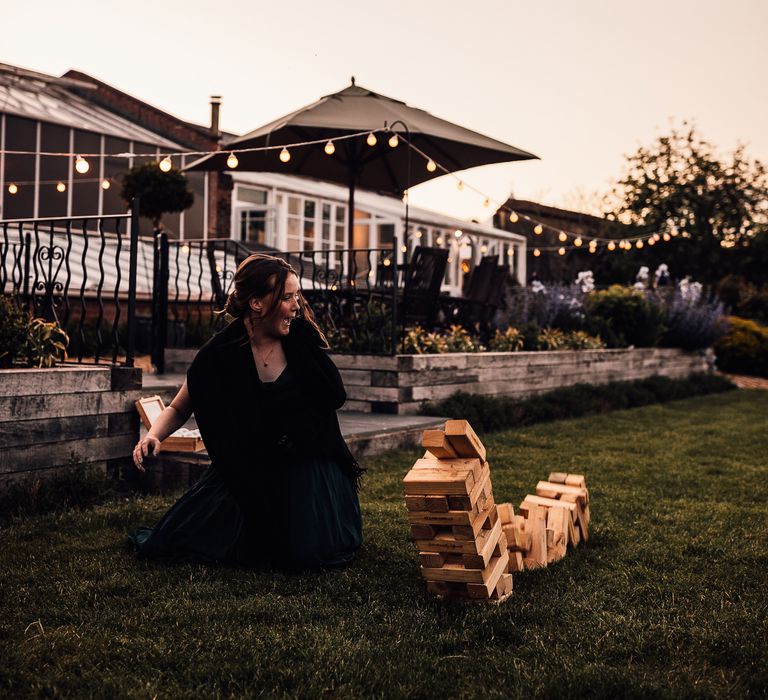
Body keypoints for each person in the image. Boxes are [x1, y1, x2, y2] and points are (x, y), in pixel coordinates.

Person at [128, 253, 363, 572]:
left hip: (308, 462)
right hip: (251, 466)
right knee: (188, 537)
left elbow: (332, 394)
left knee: (305, 553)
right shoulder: (220, 355)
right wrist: (154, 435)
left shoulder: (300, 340)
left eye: (297, 296)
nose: (297, 305)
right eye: (287, 297)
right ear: (257, 303)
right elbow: (181, 405)